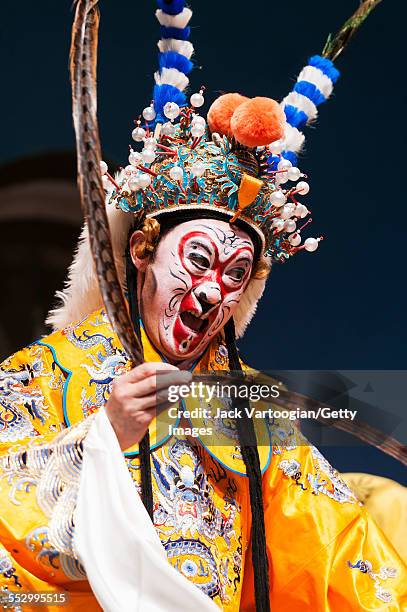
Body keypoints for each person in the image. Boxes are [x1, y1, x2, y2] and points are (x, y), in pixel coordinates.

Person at [0, 1, 405, 610]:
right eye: (197, 260)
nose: (215, 289)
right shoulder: (45, 376)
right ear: (141, 249)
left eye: (236, 273)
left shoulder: (251, 410)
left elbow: (337, 553)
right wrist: (100, 439)